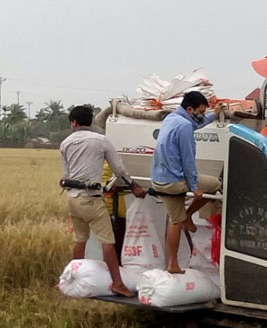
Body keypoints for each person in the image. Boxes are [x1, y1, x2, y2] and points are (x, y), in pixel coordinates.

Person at [60, 105, 146, 297]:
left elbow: (66, 175)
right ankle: (117, 283)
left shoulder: (65, 143)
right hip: (91, 199)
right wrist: (134, 187)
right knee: (107, 241)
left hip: (73, 199)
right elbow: (119, 169)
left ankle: (75, 278)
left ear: (73, 122)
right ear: (90, 121)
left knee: (80, 239)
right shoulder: (101, 141)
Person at [151, 91, 222, 274]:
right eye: (200, 111)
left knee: (178, 217)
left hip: (158, 178)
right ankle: (173, 263)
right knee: (214, 185)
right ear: (189, 109)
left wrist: (213, 115)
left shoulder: (171, 118)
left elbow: (196, 123)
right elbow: (188, 160)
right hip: (173, 182)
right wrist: (195, 186)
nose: (201, 115)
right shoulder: (185, 127)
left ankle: (187, 216)